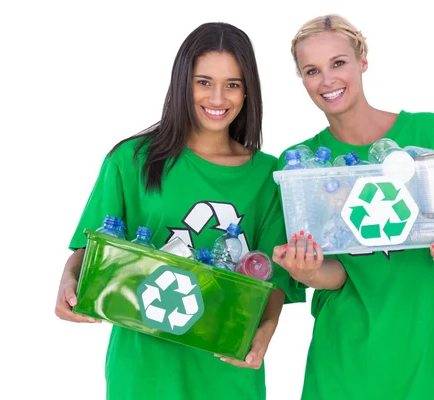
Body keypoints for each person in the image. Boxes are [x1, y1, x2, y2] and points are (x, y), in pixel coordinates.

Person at [54, 22, 304, 400]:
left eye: (232, 84)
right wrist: (68, 280)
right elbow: (91, 247)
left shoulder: (269, 176)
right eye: (203, 82)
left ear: (249, 89)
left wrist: (265, 333)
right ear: (182, 82)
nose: (218, 98)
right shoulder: (132, 160)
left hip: (225, 368)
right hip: (144, 367)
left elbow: (273, 277)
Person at [272, 14, 434, 400]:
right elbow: (336, 274)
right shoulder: (300, 166)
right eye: (312, 70)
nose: (327, 80)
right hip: (348, 358)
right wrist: (306, 271)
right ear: (302, 79)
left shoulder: (427, 134)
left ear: (363, 61)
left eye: (338, 63)